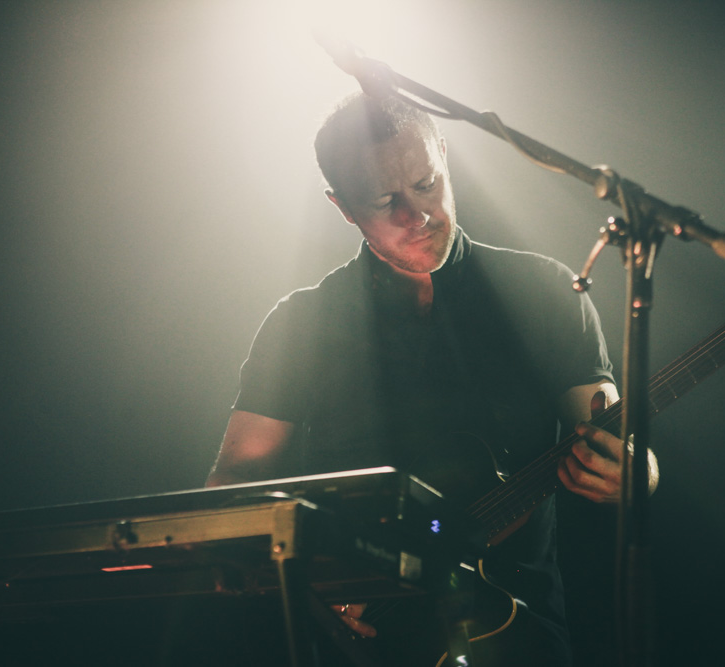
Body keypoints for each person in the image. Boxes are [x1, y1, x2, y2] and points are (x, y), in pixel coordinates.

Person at [207, 92, 658, 666]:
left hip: (520, 633)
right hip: (359, 640)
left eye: (426, 184)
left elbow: (609, 431)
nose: (415, 214)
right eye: (384, 200)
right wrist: (300, 583)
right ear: (343, 207)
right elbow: (236, 480)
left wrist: (637, 471)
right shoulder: (301, 322)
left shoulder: (545, 292)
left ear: (444, 154)